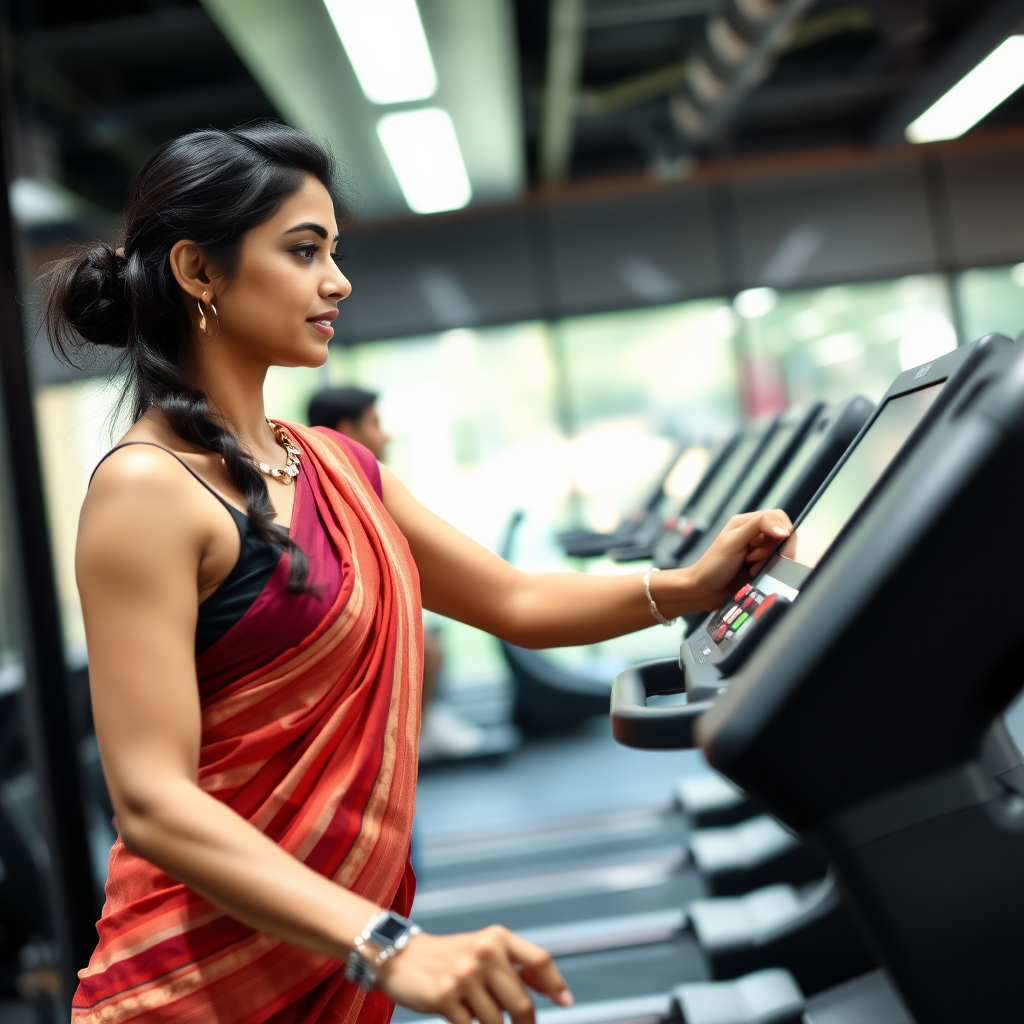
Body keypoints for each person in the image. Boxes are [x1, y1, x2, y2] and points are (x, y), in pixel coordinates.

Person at [45, 123, 792, 1024]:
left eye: (335, 251)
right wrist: (385, 942)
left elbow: (513, 600)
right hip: (197, 986)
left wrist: (687, 588)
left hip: (332, 953)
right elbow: (153, 800)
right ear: (200, 273)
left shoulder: (333, 464)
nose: (337, 281)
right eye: (303, 251)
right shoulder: (144, 491)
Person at [307, 388, 487, 761]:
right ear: (345, 429)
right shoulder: (331, 490)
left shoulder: (362, 485)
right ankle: (422, 727)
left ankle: (425, 723)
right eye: (375, 424)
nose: (385, 435)